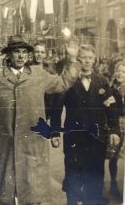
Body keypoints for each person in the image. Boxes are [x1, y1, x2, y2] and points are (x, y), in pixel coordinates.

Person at [0, 35, 80, 205]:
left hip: (31, 146)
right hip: (5, 146)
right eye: (17, 51)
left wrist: (73, 59)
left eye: (24, 52)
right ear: (9, 54)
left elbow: (63, 82)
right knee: (7, 195)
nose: (21, 56)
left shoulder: (38, 75)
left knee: (32, 195)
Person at [52, 44, 120, 205]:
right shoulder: (69, 81)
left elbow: (111, 108)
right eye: (83, 57)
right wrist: (54, 133)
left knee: (95, 178)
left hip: (97, 139)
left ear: (95, 60)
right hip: (74, 138)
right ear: (78, 59)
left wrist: (114, 130)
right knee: (73, 178)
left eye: (90, 58)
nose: (87, 61)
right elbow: (56, 108)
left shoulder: (102, 81)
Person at [107, 60, 125, 199]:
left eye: (124, 71)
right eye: (118, 71)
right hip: (116, 124)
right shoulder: (111, 88)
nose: (120, 73)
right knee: (113, 155)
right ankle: (113, 183)